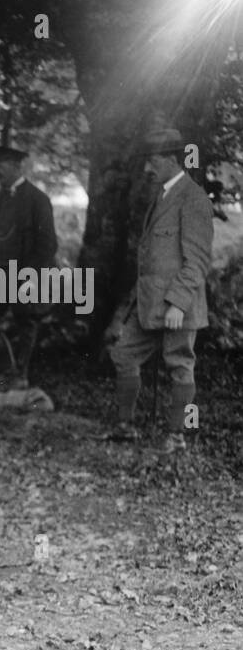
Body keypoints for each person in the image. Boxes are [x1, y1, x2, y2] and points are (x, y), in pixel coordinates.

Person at [106, 126, 214, 453]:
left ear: (169, 159)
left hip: (178, 306)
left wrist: (178, 304)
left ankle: (177, 435)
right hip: (149, 303)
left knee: (179, 365)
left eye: (151, 161)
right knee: (123, 353)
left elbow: (197, 259)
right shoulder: (162, 196)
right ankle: (125, 427)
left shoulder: (193, 198)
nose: (146, 169)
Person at [0, 145, 58, 387]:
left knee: (25, 322)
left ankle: (20, 376)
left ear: (17, 167)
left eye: (1, 166)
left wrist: (32, 276)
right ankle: (7, 364)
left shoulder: (38, 199)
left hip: (25, 274)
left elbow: (48, 244)